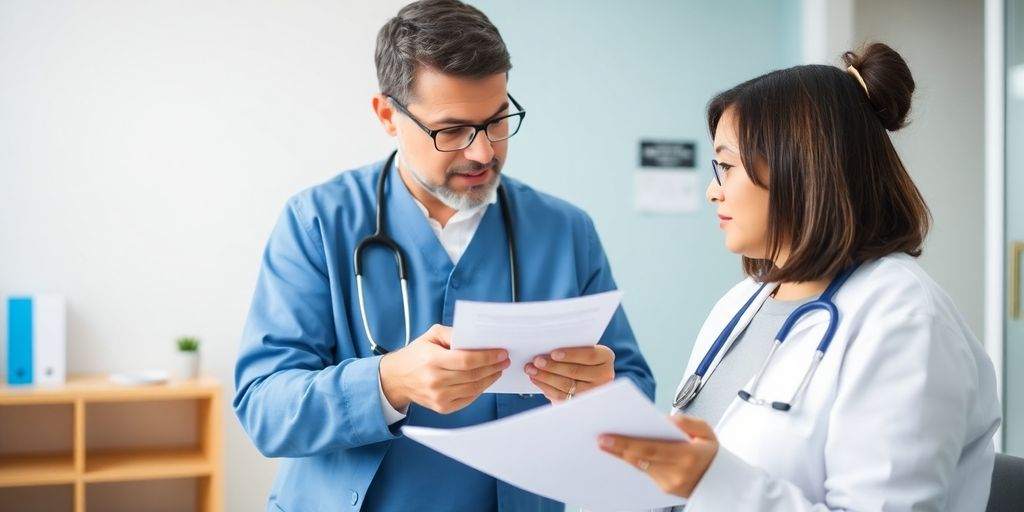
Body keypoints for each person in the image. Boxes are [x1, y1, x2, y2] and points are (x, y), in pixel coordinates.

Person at [232, 1, 654, 511]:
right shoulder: (318, 222)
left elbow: (633, 396)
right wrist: (388, 382)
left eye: (497, 121)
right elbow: (263, 409)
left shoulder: (565, 232)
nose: (482, 152)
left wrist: (598, 394)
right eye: (451, 130)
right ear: (387, 115)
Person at [598, 43, 1000, 511]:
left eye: (725, 166)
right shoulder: (744, 302)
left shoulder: (905, 320)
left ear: (800, 169)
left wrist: (714, 482)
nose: (713, 191)